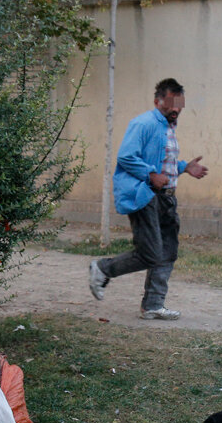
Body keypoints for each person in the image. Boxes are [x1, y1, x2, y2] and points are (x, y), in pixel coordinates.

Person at [88, 78, 208, 320]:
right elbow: (126, 157)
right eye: (170, 105)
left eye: (179, 105)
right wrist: (150, 175)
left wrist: (184, 167)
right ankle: (103, 269)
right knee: (151, 253)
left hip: (166, 198)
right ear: (157, 101)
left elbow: (164, 162)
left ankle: (153, 304)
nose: (175, 110)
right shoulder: (143, 123)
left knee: (168, 252)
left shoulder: (168, 126)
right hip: (145, 195)